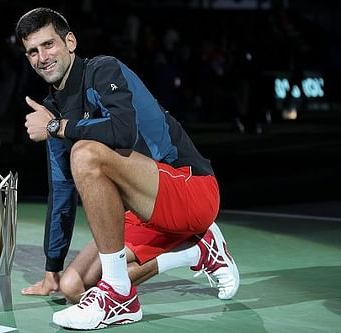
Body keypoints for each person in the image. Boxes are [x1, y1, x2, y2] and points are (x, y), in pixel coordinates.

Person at [15, 8, 239, 330]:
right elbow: (62, 190)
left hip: (190, 190)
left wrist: (55, 126)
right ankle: (198, 251)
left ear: (70, 42)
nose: (42, 57)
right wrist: (52, 269)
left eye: (49, 45)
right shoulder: (52, 112)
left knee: (85, 153)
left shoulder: (103, 71)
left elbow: (123, 132)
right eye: (33, 51)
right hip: (144, 209)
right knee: (73, 287)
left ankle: (119, 294)